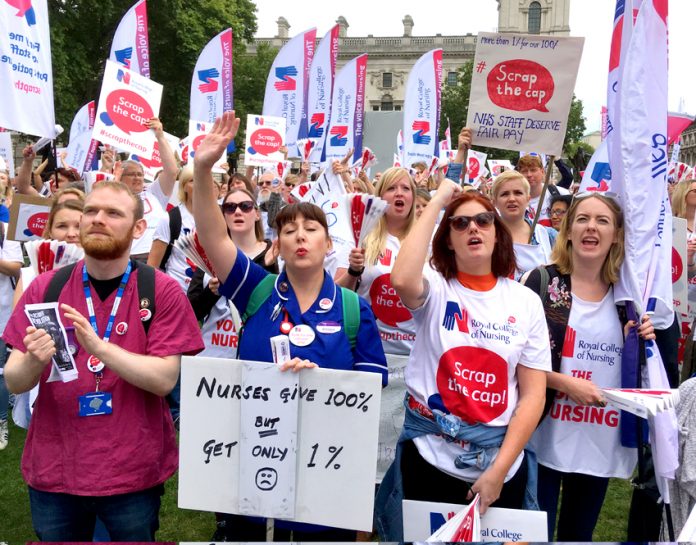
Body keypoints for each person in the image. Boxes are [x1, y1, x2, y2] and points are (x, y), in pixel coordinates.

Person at [191, 112, 387, 541]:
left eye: (311, 228)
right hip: (254, 456)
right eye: (289, 229)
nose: (300, 236)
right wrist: (204, 168)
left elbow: (368, 394)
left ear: (327, 243)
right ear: (276, 245)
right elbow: (212, 235)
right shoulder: (256, 290)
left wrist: (322, 385)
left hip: (324, 470)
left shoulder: (352, 308)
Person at [2, 181, 203, 541]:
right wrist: (33, 360)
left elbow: (164, 380)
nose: (98, 219)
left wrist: (100, 348)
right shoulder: (45, 287)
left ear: (138, 228)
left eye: (113, 213)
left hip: (131, 473)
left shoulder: (160, 290)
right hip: (55, 470)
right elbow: (15, 380)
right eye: (91, 211)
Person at [375, 179, 551, 541]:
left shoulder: (525, 301)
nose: (473, 227)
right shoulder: (437, 287)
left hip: (499, 466)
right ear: (448, 239)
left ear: (497, 234)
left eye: (484, 220)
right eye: (460, 223)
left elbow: (534, 395)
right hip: (430, 459)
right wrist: (440, 199)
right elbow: (402, 277)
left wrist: (499, 472)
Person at [523, 193, 656, 541]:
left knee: (578, 537)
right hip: (540, 436)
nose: (591, 228)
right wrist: (566, 384)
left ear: (617, 235)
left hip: (597, 441)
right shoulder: (539, 283)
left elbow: (644, 372)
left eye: (602, 221)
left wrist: (643, 341)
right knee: (532, 536)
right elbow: (513, 360)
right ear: (567, 230)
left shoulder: (628, 298)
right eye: (582, 219)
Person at [115, 118, 178, 260]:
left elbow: (172, 171)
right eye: (132, 174)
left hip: (155, 257)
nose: (137, 178)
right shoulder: (114, 196)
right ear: (120, 176)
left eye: (140, 174)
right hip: (125, 258)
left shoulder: (153, 192)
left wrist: (160, 136)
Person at [491, 170, 557, 280]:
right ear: (494, 202)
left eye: (518, 193)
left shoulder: (549, 235)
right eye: (504, 194)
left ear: (528, 199)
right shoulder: (485, 236)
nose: (512, 199)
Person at [148, 165, 197, 292]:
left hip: (209, 297)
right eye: (192, 180)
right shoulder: (170, 219)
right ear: (184, 186)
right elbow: (152, 266)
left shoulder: (217, 217)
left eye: (203, 179)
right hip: (177, 293)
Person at [0, 199, 24, 449]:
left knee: (2, 372)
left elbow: (16, 269)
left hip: (3, 310)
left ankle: (1, 421)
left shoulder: (7, 231)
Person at [517, 154, 569, 227]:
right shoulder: (514, 200)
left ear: (542, 171)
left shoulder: (561, 193)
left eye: (533, 170)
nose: (529, 175)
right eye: (524, 171)